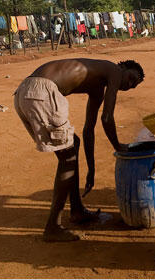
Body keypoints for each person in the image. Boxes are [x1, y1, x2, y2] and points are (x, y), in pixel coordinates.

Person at [13, 58, 145, 242]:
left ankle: (76, 210)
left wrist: (91, 170)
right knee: (67, 158)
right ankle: (53, 227)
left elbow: (88, 130)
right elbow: (107, 118)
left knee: (71, 144)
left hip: (25, 93)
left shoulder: (98, 87)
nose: (129, 85)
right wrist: (118, 146)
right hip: (41, 91)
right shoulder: (113, 70)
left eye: (133, 86)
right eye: (131, 78)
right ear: (123, 67)